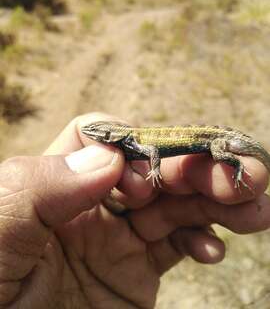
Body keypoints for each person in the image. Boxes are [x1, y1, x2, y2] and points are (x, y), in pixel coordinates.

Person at [0, 112, 269, 308]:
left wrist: (153, 168)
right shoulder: (127, 142)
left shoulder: (134, 142)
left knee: (221, 157)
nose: (95, 137)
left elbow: (151, 151)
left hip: (216, 140)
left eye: (101, 135)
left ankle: (236, 166)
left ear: (111, 136)